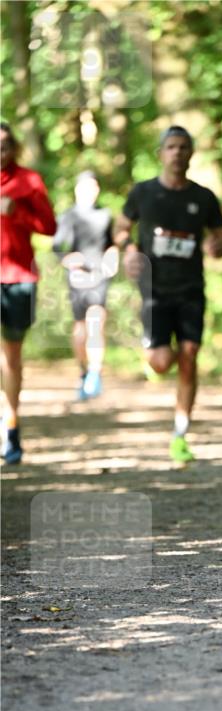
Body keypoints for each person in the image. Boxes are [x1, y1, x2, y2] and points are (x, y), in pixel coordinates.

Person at [114, 125, 222, 463]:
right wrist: (129, 248)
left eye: (183, 147)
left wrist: (218, 245)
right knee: (163, 363)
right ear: (161, 154)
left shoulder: (203, 197)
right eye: (171, 147)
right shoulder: (143, 193)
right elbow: (120, 227)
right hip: (154, 291)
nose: (177, 152)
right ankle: (155, 356)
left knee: (190, 354)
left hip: (191, 288)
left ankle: (180, 434)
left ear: (191, 154)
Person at [0, 122, 57, 464]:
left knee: (11, 358)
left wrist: (17, 212)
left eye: (6, 145)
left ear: (15, 148)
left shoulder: (29, 181)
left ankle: (12, 427)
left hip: (19, 279)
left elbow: (49, 227)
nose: (0, 151)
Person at [53, 170, 118, 400]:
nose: (90, 191)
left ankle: (95, 373)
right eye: (85, 187)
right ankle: (82, 370)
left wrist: (113, 257)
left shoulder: (106, 215)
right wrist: (69, 260)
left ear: (98, 189)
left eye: (94, 187)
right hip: (78, 276)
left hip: (100, 274)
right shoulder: (68, 216)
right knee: (81, 327)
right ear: (77, 189)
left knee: (97, 322)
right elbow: (58, 247)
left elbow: (112, 243)